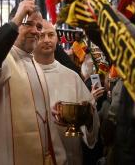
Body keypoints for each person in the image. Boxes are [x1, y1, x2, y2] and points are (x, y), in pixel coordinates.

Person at [0, 0, 58, 165]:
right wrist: (16, 19)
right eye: (28, 23)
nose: (36, 31)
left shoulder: (35, 65)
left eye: (39, 26)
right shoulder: (3, 59)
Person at [34, 20, 100, 165]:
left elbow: (91, 123)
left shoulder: (72, 77)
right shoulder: (24, 73)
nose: (47, 40)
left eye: (51, 35)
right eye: (41, 35)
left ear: (57, 38)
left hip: (70, 154)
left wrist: (89, 118)